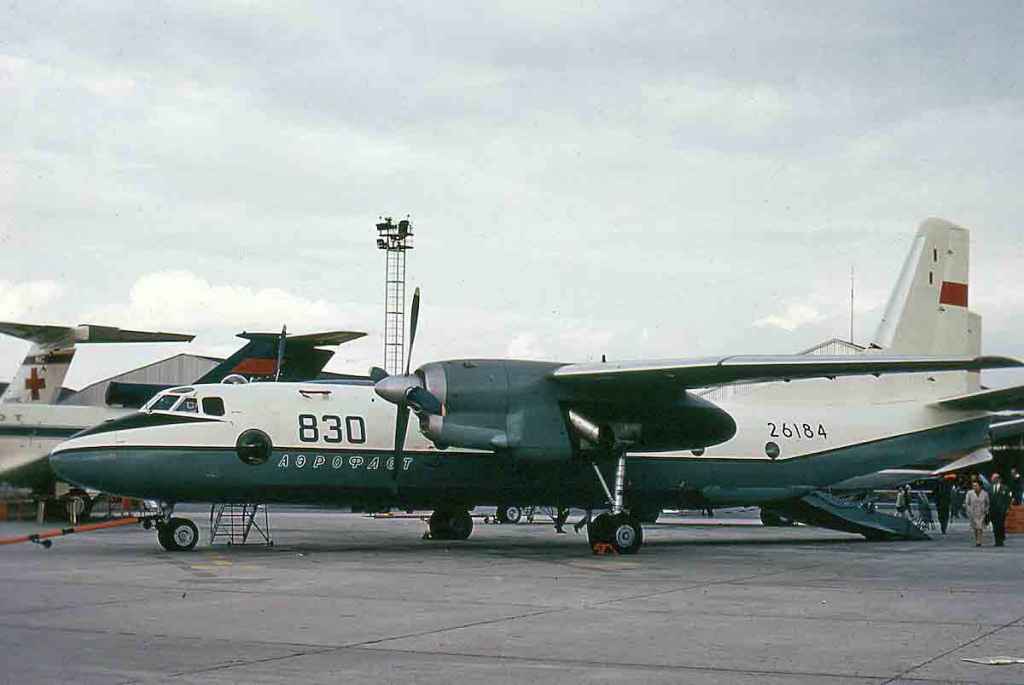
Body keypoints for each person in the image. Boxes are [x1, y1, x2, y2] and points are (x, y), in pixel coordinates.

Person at [989, 472, 1012, 547]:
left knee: (1001, 525)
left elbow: (1008, 499)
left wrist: (1008, 508)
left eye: (993, 478)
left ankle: (1000, 540)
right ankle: (997, 540)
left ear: (997, 479)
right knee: (995, 526)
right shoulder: (990, 488)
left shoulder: (1005, 488)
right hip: (993, 510)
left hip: (1002, 510)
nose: (991, 479)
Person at [965, 479, 990, 547]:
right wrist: (969, 511)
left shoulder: (985, 493)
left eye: (976, 485)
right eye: (973, 486)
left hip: (982, 513)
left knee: (980, 527)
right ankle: (977, 539)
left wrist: (986, 510)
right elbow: (967, 503)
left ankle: (979, 541)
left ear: (980, 486)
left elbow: (988, 503)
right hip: (973, 513)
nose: (974, 487)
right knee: (975, 528)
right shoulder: (969, 493)